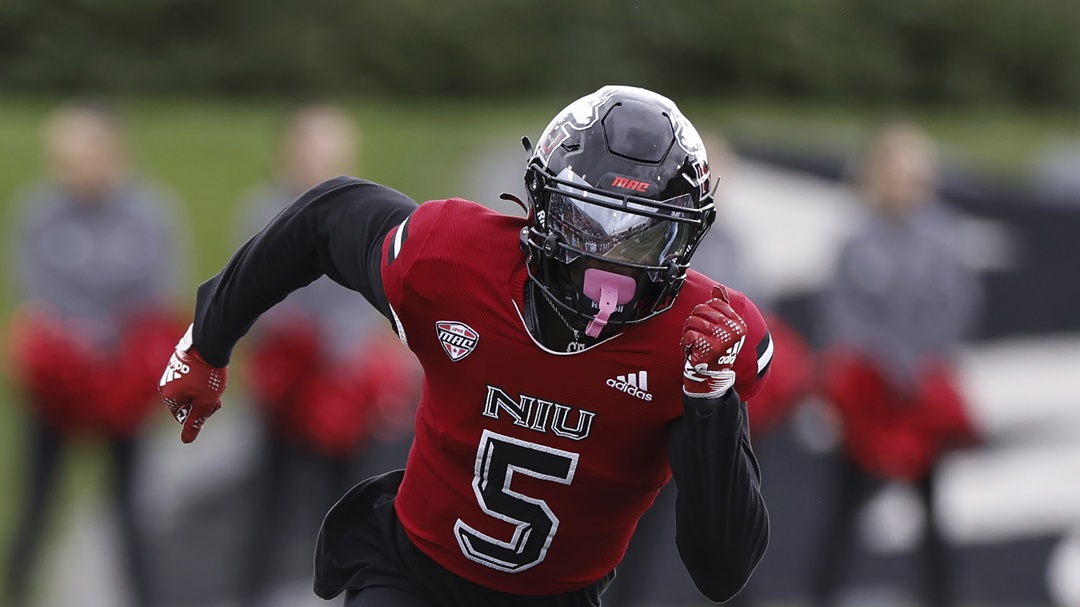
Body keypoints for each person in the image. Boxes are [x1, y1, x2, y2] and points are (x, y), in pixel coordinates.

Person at [158, 85, 776, 607]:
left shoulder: (700, 339)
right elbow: (327, 216)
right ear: (542, 207)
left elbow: (721, 572)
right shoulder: (453, 260)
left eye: (641, 239)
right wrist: (208, 338)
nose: (604, 261)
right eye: (588, 223)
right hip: (408, 574)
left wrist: (711, 404)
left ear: (686, 240)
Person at [3, 101, 186, 607]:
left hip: (122, 382)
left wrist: (112, 346)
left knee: (132, 503)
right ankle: (18, 587)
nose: (63, 166)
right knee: (37, 498)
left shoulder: (152, 214)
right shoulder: (37, 211)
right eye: (57, 155)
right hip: (59, 384)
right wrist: (77, 342)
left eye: (74, 153)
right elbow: (37, 291)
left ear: (111, 152)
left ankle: (146, 594)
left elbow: (157, 294)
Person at [235, 103, 418, 606]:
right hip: (290, 384)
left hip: (347, 388)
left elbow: (381, 295)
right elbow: (257, 296)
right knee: (270, 506)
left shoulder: (369, 217)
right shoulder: (263, 211)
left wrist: (354, 360)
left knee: (355, 511)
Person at [808, 121, 982, 607]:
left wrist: (916, 369)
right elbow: (842, 316)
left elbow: (958, 309)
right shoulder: (858, 240)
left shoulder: (946, 238)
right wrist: (882, 369)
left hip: (921, 398)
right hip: (869, 401)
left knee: (931, 513)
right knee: (844, 511)